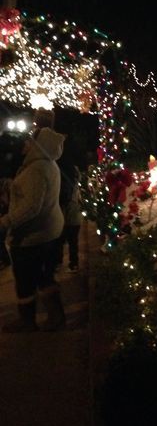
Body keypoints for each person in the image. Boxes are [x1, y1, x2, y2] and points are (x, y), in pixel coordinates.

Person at [0, 127, 66, 332]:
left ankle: (28, 321)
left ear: (39, 146)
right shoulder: (48, 165)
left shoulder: (37, 169)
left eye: (30, 141)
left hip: (33, 235)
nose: (26, 144)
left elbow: (30, 207)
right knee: (43, 275)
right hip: (47, 231)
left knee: (26, 279)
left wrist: (6, 221)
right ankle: (56, 316)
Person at [0, 178, 11, 269]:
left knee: (1, 239)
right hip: (5, 213)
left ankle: (6, 260)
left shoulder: (7, 185)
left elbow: (6, 202)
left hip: (7, 215)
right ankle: (5, 260)